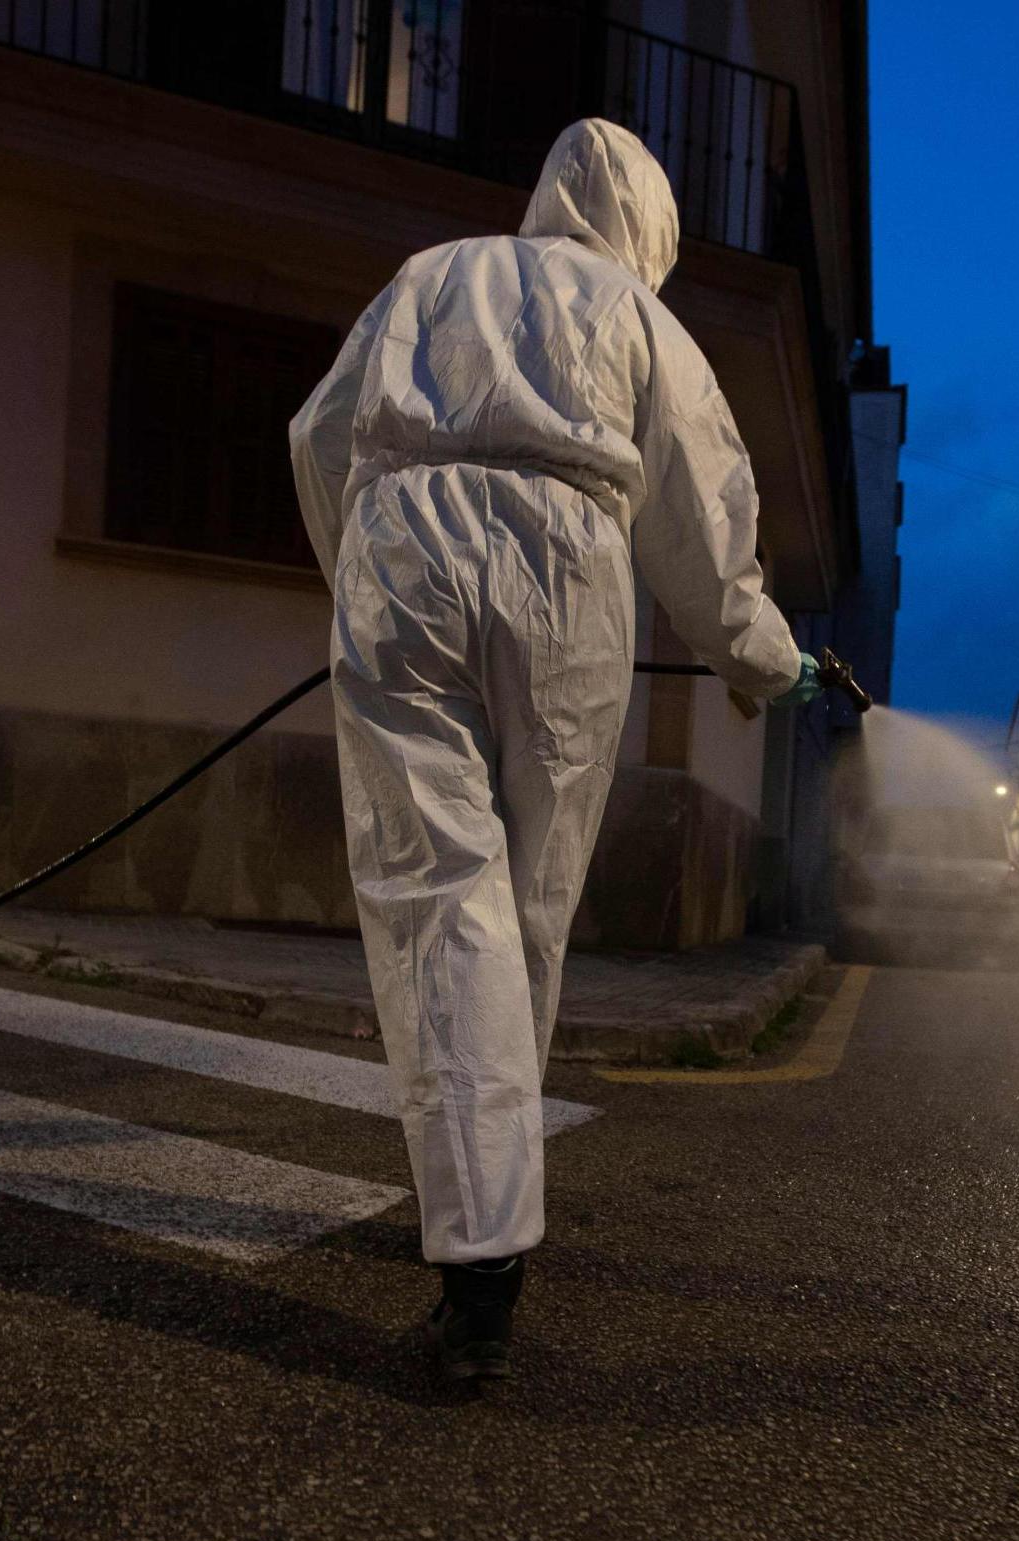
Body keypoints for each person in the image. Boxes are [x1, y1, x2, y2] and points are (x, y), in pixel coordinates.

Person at [289, 118, 820, 1380]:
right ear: (647, 227)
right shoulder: (644, 322)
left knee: (435, 897)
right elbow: (705, 524)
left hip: (401, 556)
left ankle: (475, 1236)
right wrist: (765, 661)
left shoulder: (431, 273)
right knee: (520, 913)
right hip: (571, 572)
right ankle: (480, 1245)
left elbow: (318, 438)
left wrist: (358, 580)